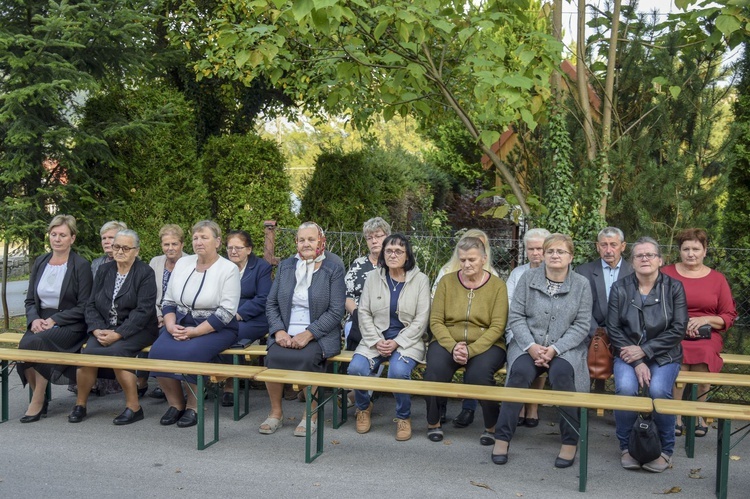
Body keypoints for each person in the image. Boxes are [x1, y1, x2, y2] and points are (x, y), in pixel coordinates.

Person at [493, 233, 591, 468]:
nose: (555, 255)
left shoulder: (581, 284)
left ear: (571, 257)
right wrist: (531, 346)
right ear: (544, 255)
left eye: (561, 251)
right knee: (518, 375)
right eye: (550, 251)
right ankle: (502, 437)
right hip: (528, 345)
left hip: (565, 348)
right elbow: (515, 317)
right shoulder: (528, 278)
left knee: (562, 376)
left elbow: (582, 325)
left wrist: (555, 349)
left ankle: (570, 441)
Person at [147, 220, 240, 428]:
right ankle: (175, 404)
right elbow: (169, 300)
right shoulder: (183, 263)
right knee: (156, 353)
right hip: (180, 323)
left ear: (217, 242)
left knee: (189, 355)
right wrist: (170, 326)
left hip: (216, 327)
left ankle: (193, 406)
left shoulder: (228, 269)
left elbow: (226, 312)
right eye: (195, 238)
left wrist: (196, 332)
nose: (199, 242)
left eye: (204, 237)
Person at [607, 237, 688, 473]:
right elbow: (613, 329)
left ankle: (665, 450)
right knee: (624, 389)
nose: (645, 259)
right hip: (627, 354)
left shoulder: (674, 288)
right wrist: (638, 360)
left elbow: (679, 328)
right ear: (632, 262)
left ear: (660, 260)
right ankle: (626, 447)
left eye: (650, 255)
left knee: (658, 391)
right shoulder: (620, 288)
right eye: (639, 255)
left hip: (665, 354)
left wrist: (645, 350)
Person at [260, 222, 345, 436]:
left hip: (319, 333)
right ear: (296, 242)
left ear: (321, 241)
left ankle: (310, 416)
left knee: (307, 359)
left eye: (311, 239)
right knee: (273, 357)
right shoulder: (287, 266)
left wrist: (308, 334)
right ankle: (276, 413)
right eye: (301, 239)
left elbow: (336, 311)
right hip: (286, 332)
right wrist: (279, 331)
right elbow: (271, 304)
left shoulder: (333, 266)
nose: (306, 243)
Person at [69, 230, 158, 425]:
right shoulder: (104, 270)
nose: (120, 251)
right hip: (104, 328)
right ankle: (80, 404)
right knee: (89, 353)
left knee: (117, 352)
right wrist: (96, 329)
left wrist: (119, 333)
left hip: (138, 329)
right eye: (117, 247)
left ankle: (134, 407)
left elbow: (143, 311)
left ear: (136, 251)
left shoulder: (145, 273)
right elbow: (90, 304)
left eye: (126, 248)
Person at [425, 236, 508, 446]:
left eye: (471, 259)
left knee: (479, 375)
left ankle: (491, 426)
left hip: (486, 344)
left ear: (483, 259)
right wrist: (453, 347)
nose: (466, 264)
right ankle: (433, 422)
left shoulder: (498, 286)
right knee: (434, 370)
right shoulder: (446, 282)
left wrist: (470, 350)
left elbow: (498, 327)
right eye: (462, 260)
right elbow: (435, 321)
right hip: (448, 341)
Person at [347, 233, 430, 441]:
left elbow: (422, 319)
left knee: (398, 372)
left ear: (407, 255)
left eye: (399, 251)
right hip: (375, 338)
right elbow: (363, 311)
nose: (393, 255)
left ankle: (403, 417)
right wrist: (376, 340)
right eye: (389, 251)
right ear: (383, 254)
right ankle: (363, 408)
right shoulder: (373, 278)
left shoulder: (420, 280)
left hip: (406, 341)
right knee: (356, 369)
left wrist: (397, 342)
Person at [18, 214, 93, 422]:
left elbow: (85, 305)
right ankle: (38, 394)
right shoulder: (41, 262)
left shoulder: (80, 265)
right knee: (26, 345)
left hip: (70, 324)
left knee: (38, 343)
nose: (57, 239)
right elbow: (30, 300)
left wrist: (55, 320)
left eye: (62, 235)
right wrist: (34, 320)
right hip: (40, 321)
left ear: (73, 238)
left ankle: (38, 399)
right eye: (53, 234)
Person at [662, 229, 736, 438]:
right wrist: (679, 323)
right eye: (686, 249)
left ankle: (697, 413)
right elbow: (655, 307)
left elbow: (728, 315)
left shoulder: (717, 279)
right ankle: (675, 415)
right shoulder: (665, 274)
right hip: (672, 332)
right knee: (680, 357)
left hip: (707, 334)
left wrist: (705, 319)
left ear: (705, 251)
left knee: (705, 354)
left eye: (696, 249)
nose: (691, 253)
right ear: (679, 251)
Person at [576, 227, 634, 392]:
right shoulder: (583, 271)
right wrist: (599, 333)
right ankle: (580, 412)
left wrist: (615, 333)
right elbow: (582, 308)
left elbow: (635, 309)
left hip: (625, 334)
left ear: (623, 246)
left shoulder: (634, 272)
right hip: (591, 333)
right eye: (604, 245)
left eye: (613, 245)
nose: (608, 250)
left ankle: (628, 411)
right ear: (597, 246)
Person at [220, 229, 272, 407]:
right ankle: (209, 378)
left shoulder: (261, 267)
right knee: (209, 332)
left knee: (230, 334)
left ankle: (230, 385)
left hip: (255, 318)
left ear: (248, 249)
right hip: (225, 315)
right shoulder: (221, 266)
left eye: (238, 248)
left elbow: (263, 298)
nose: (233, 251)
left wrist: (238, 314)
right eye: (230, 247)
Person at [505, 227, 550, 428]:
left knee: (542, 355)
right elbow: (509, 305)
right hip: (518, 332)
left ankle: (532, 405)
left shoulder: (557, 274)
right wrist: (524, 338)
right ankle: (519, 404)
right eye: (531, 249)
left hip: (547, 337)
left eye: (540, 248)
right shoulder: (518, 273)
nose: (536, 253)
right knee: (520, 359)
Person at [142, 223, 189, 399]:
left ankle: (170, 383)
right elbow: (148, 294)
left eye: (174, 244)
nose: (170, 248)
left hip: (181, 316)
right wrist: (158, 315)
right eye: (166, 244)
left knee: (166, 337)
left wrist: (170, 319)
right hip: (155, 314)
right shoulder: (155, 262)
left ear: (182, 244)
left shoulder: (190, 262)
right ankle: (145, 381)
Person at [344, 217, 391, 350]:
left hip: (386, 320)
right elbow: (347, 296)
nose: (374, 241)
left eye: (378, 236)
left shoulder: (395, 264)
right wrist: (359, 315)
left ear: (387, 237)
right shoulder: (358, 264)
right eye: (369, 238)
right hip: (358, 319)